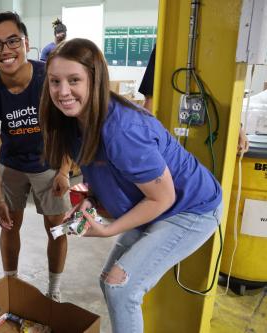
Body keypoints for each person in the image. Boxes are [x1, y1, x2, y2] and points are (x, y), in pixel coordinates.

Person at [40, 38, 223, 332]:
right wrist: (91, 202)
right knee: (107, 281)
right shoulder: (72, 123)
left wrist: (109, 229)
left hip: (190, 209)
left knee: (121, 287)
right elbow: (102, 175)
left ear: (95, 80)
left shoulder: (122, 130)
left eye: (74, 80)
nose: (62, 92)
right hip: (152, 203)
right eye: (54, 81)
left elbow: (162, 198)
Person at [0, 12, 71, 302]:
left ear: (26, 43)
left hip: (50, 164)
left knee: (57, 227)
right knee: (9, 224)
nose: (5, 51)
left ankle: (53, 290)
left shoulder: (50, 79)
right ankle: (11, 284)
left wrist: (64, 171)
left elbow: (68, 129)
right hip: (12, 165)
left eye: (13, 40)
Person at [139, 44, 249, 154]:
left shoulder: (226, 45)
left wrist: (237, 128)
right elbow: (150, 98)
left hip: (209, 139)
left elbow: (228, 98)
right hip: (166, 139)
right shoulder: (165, 46)